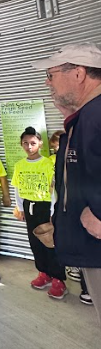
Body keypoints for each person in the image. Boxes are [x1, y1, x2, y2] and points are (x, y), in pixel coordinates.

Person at [33, 42, 101, 324]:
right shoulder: (86, 116)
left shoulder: (97, 114)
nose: (47, 82)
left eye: (51, 74)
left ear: (79, 73)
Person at [11, 127, 67, 299]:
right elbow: (18, 189)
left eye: (33, 143)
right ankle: (44, 273)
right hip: (29, 207)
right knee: (35, 242)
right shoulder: (20, 165)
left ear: (40, 144)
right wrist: (20, 208)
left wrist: (52, 211)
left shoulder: (48, 163)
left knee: (51, 242)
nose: (29, 146)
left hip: (46, 207)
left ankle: (58, 279)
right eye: (25, 143)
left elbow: (53, 189)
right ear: (21, 145)